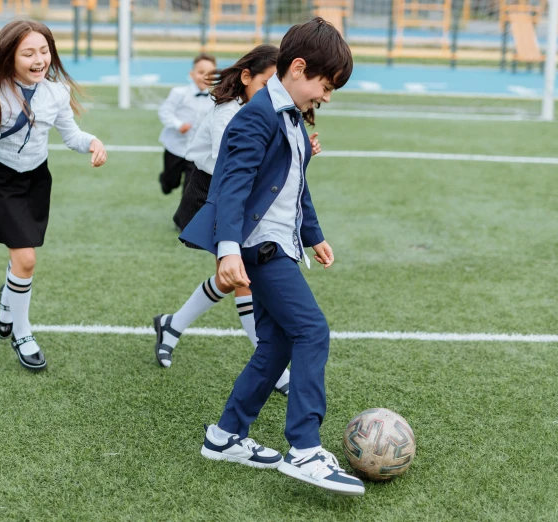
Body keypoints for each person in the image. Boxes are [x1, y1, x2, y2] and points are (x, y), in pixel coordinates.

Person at [179, 18, 364, 495]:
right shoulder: (256, 116)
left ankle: (224, 437)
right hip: (260, 248)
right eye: (326, 85)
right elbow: (231, 186)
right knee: (312, 330)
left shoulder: (293, 118)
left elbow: (294, 184)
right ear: (299, 68)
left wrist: (314, 233)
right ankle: (304, 448)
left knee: (277, 344)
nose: (327, 96)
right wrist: (226, 250)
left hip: (283, 242)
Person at [156, 45, 323, 400]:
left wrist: (297, 148)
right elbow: (228, 166)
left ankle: (172, 325)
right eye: (266, 83)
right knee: (241, 279)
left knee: (235, 279)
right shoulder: (227, 110)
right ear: (246, 78)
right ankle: (274, 368)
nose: (272, 90)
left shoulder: (265, 109)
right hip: (211, 192)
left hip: (243, 196)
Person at [0, 19, 107, 372]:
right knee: (25, 260)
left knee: (22, 260)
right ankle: (22, 333)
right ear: (11, 56)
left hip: (37, 180)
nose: (39, 58)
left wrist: (92, 142)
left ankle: (7, 304)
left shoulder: (56, 92)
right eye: (28, 52)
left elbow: (70, 135)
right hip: (2, 181)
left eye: (44, 51)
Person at [157, 53, 216, 197]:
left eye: (210, 74)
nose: (204, 77)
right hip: (175, 147)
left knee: (190, 188)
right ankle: (165, 181)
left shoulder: (214, 99)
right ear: (192, 73)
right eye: (201, 72)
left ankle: (185, 216)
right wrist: (178, 125)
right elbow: (164, 111)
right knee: (172, 181)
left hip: (196, 152)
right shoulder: (179, 93)